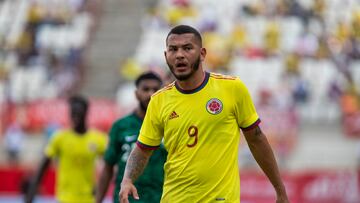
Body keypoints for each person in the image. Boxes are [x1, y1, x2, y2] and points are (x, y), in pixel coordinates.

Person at [119, 25, 290, 203]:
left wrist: (280, 189)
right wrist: (127, 179)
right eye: (173, 49)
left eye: (187, 48)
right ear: (166, 56)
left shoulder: (232, 89)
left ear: (202, 54)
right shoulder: (159, 101)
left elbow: (256, 140)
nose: (179, 55)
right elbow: (142, 150)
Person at [96, 72, 167, 203]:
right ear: (136, 94)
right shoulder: (120, 126)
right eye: (145, 89)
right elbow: (108, 167)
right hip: (126, 199)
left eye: (155, 90)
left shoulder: (169, 125)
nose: (150, 94)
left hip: (160, 198)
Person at [25, 95, 107, 203]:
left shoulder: (98, 139)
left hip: (89, 198)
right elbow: (43, 167)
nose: (75, 118)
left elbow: (109, 166)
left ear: (86, 113)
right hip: (65, 198)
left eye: (79, 114)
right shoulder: (60, 138)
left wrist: (100, 188)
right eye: (73, 114)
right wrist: (31, 195)